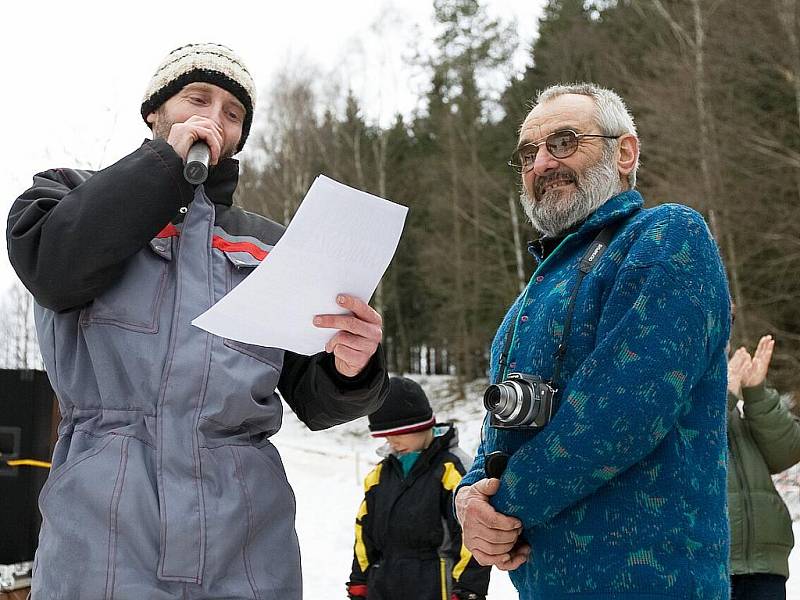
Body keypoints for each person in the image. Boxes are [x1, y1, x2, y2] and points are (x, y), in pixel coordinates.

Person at [6, 43, 389, 600]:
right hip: (103, 529)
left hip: (248, 539)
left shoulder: (272, 247)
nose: (215, 118)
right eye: (197, 99)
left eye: (234, 113)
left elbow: (317, 399)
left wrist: (353, 368)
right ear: (154, 112)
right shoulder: (63, 194)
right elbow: (52, 269)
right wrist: (163, 169)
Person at [454, 82, 732, 599]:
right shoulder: (527, 302)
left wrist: (501, 507)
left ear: (624, 151)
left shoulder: (666, 237)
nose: (541, 164)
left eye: (563, 142)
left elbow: (623, 412)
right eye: (529, 153)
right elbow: (501, 433)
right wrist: (469, 500)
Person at [346, 376, 490, 600]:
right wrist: (358, 582)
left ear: (420, 426)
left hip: (435, 588)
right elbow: (363, 534)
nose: (391, 441)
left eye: (397, 433)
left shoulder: (451, 471)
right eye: (385, 435)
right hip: (383, 587)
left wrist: (467, 590)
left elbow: (470, 536)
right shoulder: (379, 476)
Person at [727, 334, 800, 600]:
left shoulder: (736, 401)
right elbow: (693, 443)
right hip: (710, 562)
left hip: (766, 564)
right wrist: (724, 398)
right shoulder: (674, 395)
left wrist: (756, 392)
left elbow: (787, 452)